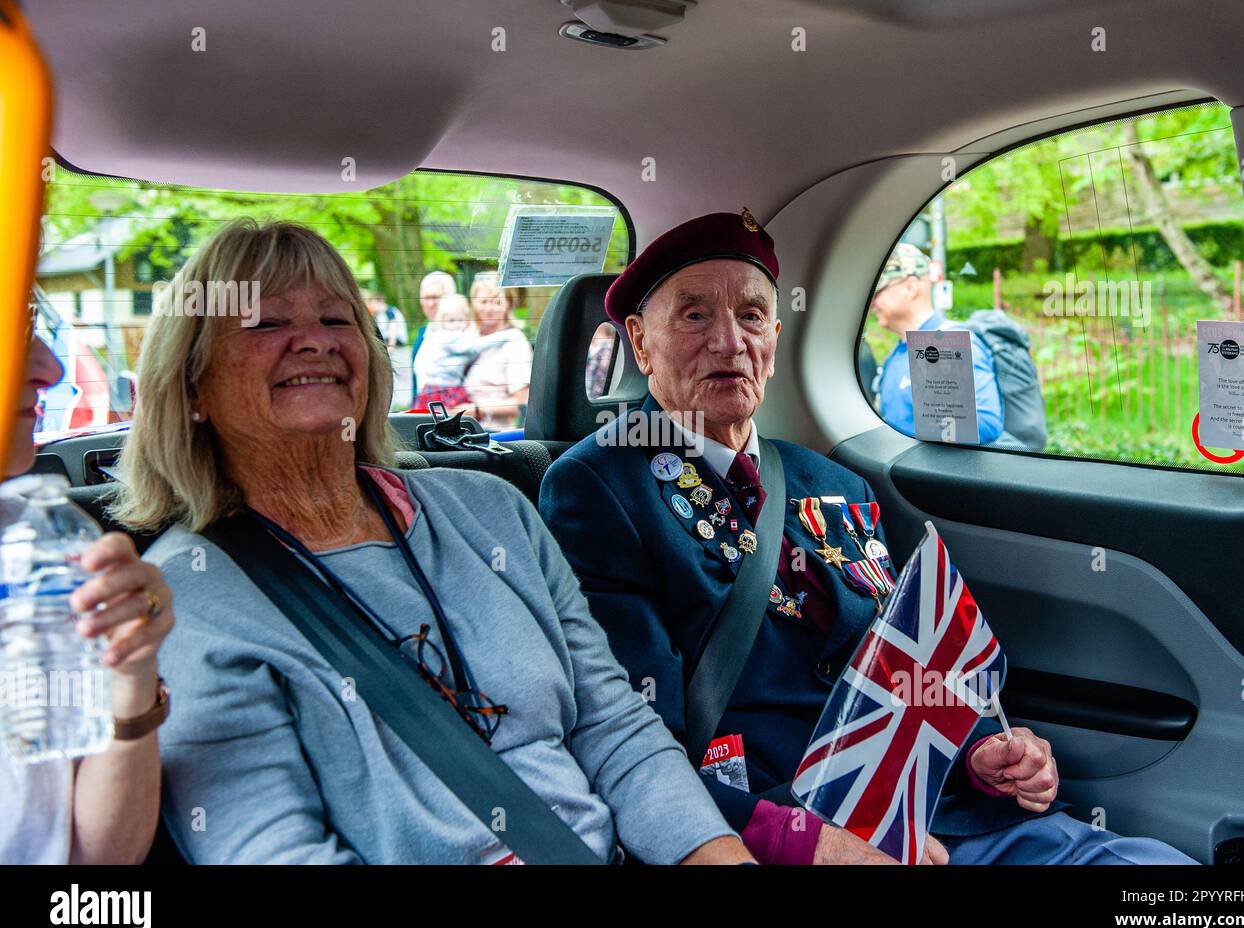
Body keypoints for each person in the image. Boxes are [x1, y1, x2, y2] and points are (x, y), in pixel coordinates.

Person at [540, 209, 1197, 865]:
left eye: (750, 316)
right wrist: (804, 843)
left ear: (774, 331)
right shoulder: (599, 487)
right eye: (694, 316)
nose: (730, 343)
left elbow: (893, 665)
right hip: (769, 834)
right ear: (638, 340)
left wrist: (976, 757)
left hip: (945, 816)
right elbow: (630, 740)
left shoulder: (832, 482)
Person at [110, 219, 748, 865]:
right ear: (192, 386)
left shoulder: (492, 511)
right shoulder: (185, 594)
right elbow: (271, 848)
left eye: (337, 320)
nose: (313, 343)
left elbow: (615, 728)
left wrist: (719, 857)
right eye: (266, 324)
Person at [0, 307, 175, 864]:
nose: (50, 370)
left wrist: (133, 674)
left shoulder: (33, 541)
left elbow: (98, 866)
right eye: (12, 333)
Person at [870, 243, 1004, 444]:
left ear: (910, 287)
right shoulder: (895, 355)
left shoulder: (947, 345)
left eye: (878, 291)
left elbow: (986, 423)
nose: (871, 302)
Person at [444, 274, 532, 431]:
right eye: (483, 302)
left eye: (497, 302)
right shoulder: (467, 336)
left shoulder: (514, 341)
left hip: (491, 432)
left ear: (508, 305)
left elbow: (521, 403)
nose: (489, 309)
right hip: (457, 426)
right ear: (473, 303)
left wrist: (477, 409)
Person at [411, 294, 518, 413]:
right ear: (442, 322)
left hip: (448, 386)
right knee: (443, 418)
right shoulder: (447, 337)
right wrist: (506, 336)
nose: (457, 324)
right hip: (441, 388)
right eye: (451, 321)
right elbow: (474, 347)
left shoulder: (457, 335)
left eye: (461, 320)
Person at [410, 270, 457, 405]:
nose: (430, 304)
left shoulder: (463, 335)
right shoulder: (423, 335)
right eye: (426, 298)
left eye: (436, 297)